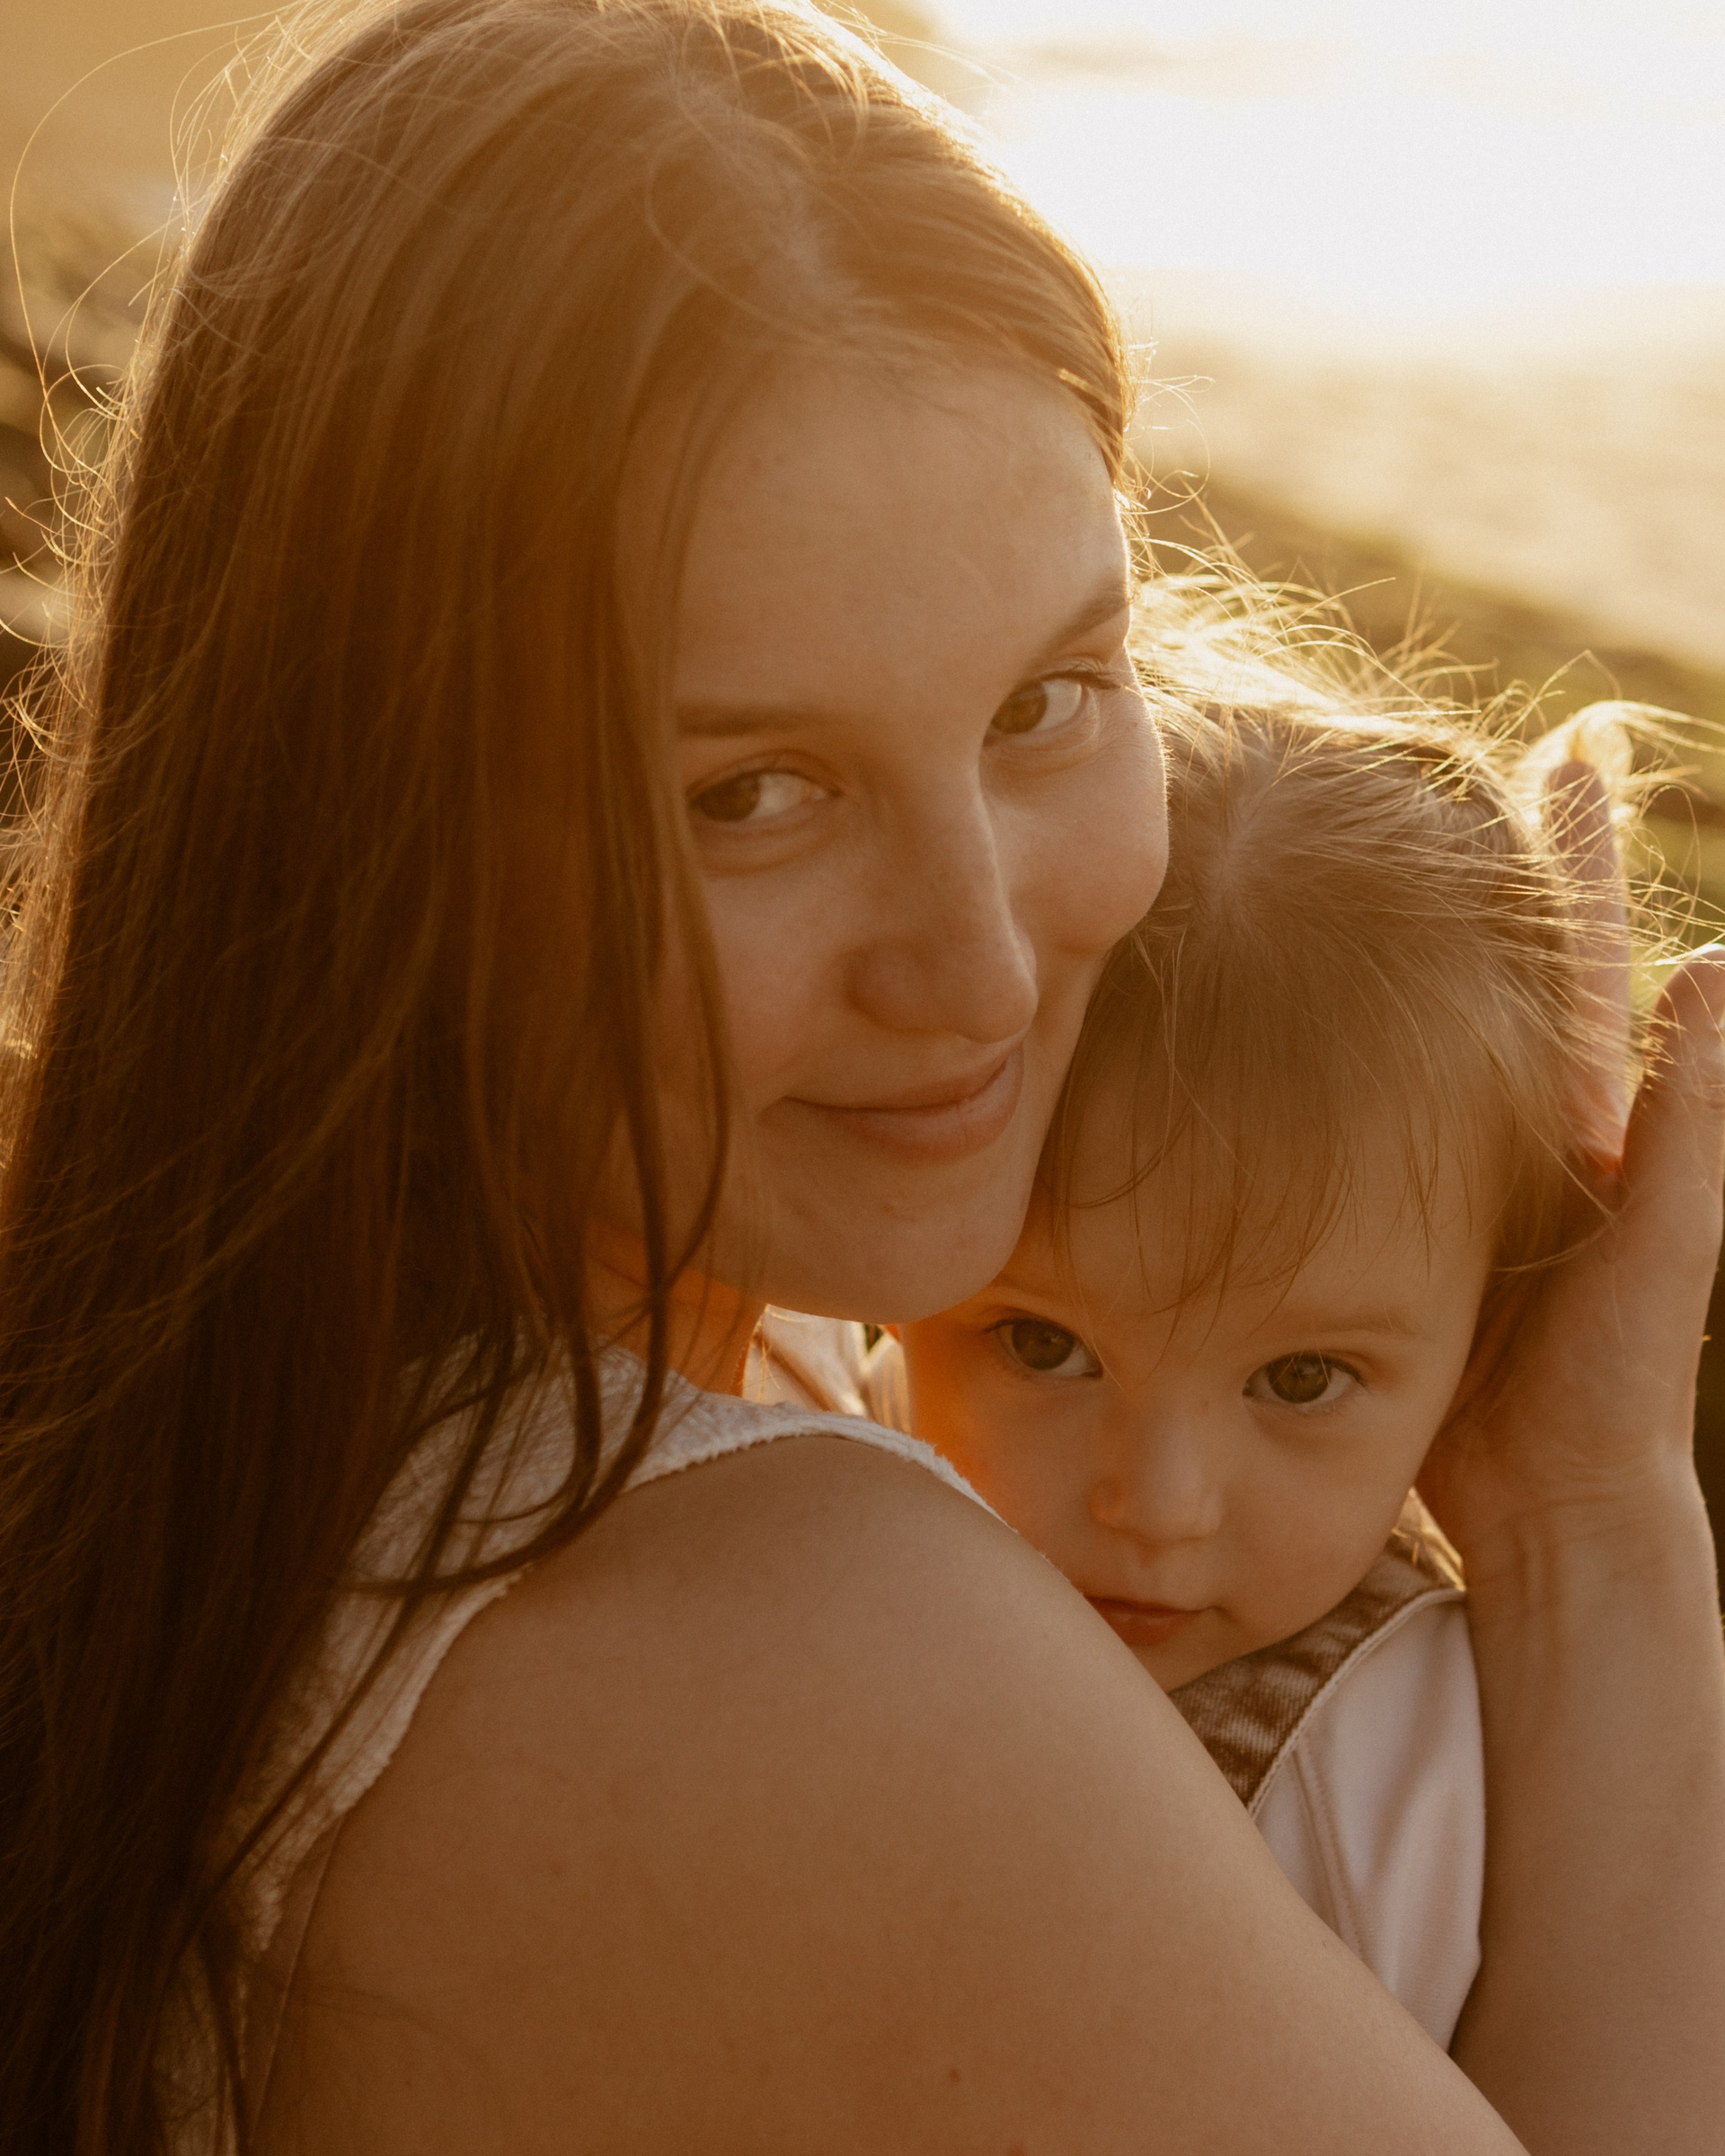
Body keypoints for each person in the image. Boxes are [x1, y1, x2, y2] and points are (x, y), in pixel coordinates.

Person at [0, 4, 1720, 2152]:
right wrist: (1587, 1519)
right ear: (364, 822)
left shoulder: (195, 1383)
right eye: (754, 794)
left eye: (1047, 702)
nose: (981, 967)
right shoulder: (817, 1643)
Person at [881, 697, 1648, 2050]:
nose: (1156, 1504)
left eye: (1300, 1380)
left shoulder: (1404, 1771)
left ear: (1492, 1336)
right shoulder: (778, 1461)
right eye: (1044, 1346)